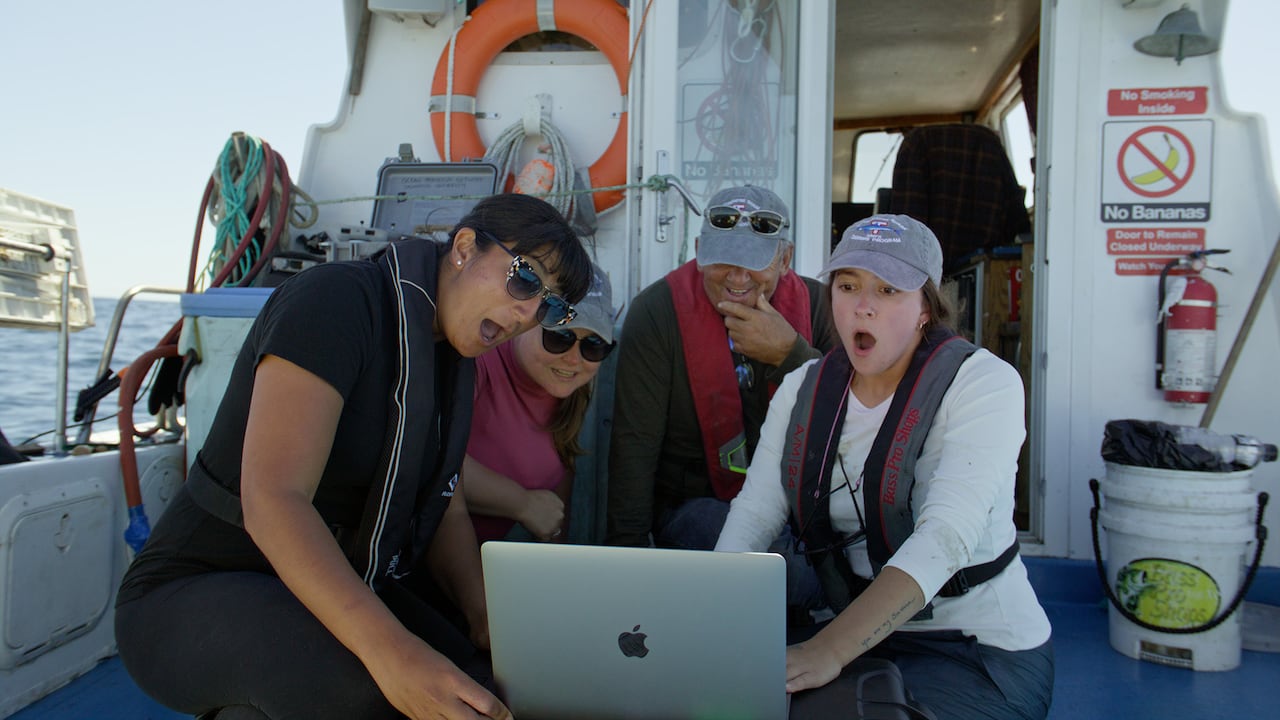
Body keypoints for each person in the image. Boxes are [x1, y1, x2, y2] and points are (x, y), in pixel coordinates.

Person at [114, 193, 592, 720]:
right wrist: (395, 654)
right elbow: (275, 498)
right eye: (525, 279)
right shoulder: (335, 302)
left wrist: (482, 616)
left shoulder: (448, 357)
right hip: (195, 585)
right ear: (463, 248)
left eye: (548, 306)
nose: (527, 314)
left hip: (338, 585)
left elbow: (445, 503)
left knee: (487, 690)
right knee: (368, 692)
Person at [716, 214, 1053, 720]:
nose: (863, 306)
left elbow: (946, 538)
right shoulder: (803, 387)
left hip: (974, 647)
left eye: (889, 289)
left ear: (925, 308)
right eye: (848, 286)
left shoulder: (986, 384)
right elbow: (754, 515)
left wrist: (826, 650)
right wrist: (708, 625)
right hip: (850, 625)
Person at [606, 184, 838, 594]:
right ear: (698, 250)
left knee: (816, 566)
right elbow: (634, 449)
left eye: (753, 262)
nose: (736, 276)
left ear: (785, 259)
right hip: (698, 506)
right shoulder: (657, 313)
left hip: (799, 507)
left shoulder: (821, 305)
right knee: (788, 575)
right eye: (723, 260)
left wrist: (790, 354)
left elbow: (853, 421)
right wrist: (626, 572)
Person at [464, 264, 615, 544]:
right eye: (559, 336)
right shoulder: (478, 360)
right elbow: (429, 462)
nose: (573, 359)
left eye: (594, 344)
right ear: (525, 321)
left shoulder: (570, 392)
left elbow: (557, 511)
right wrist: (521, 503)